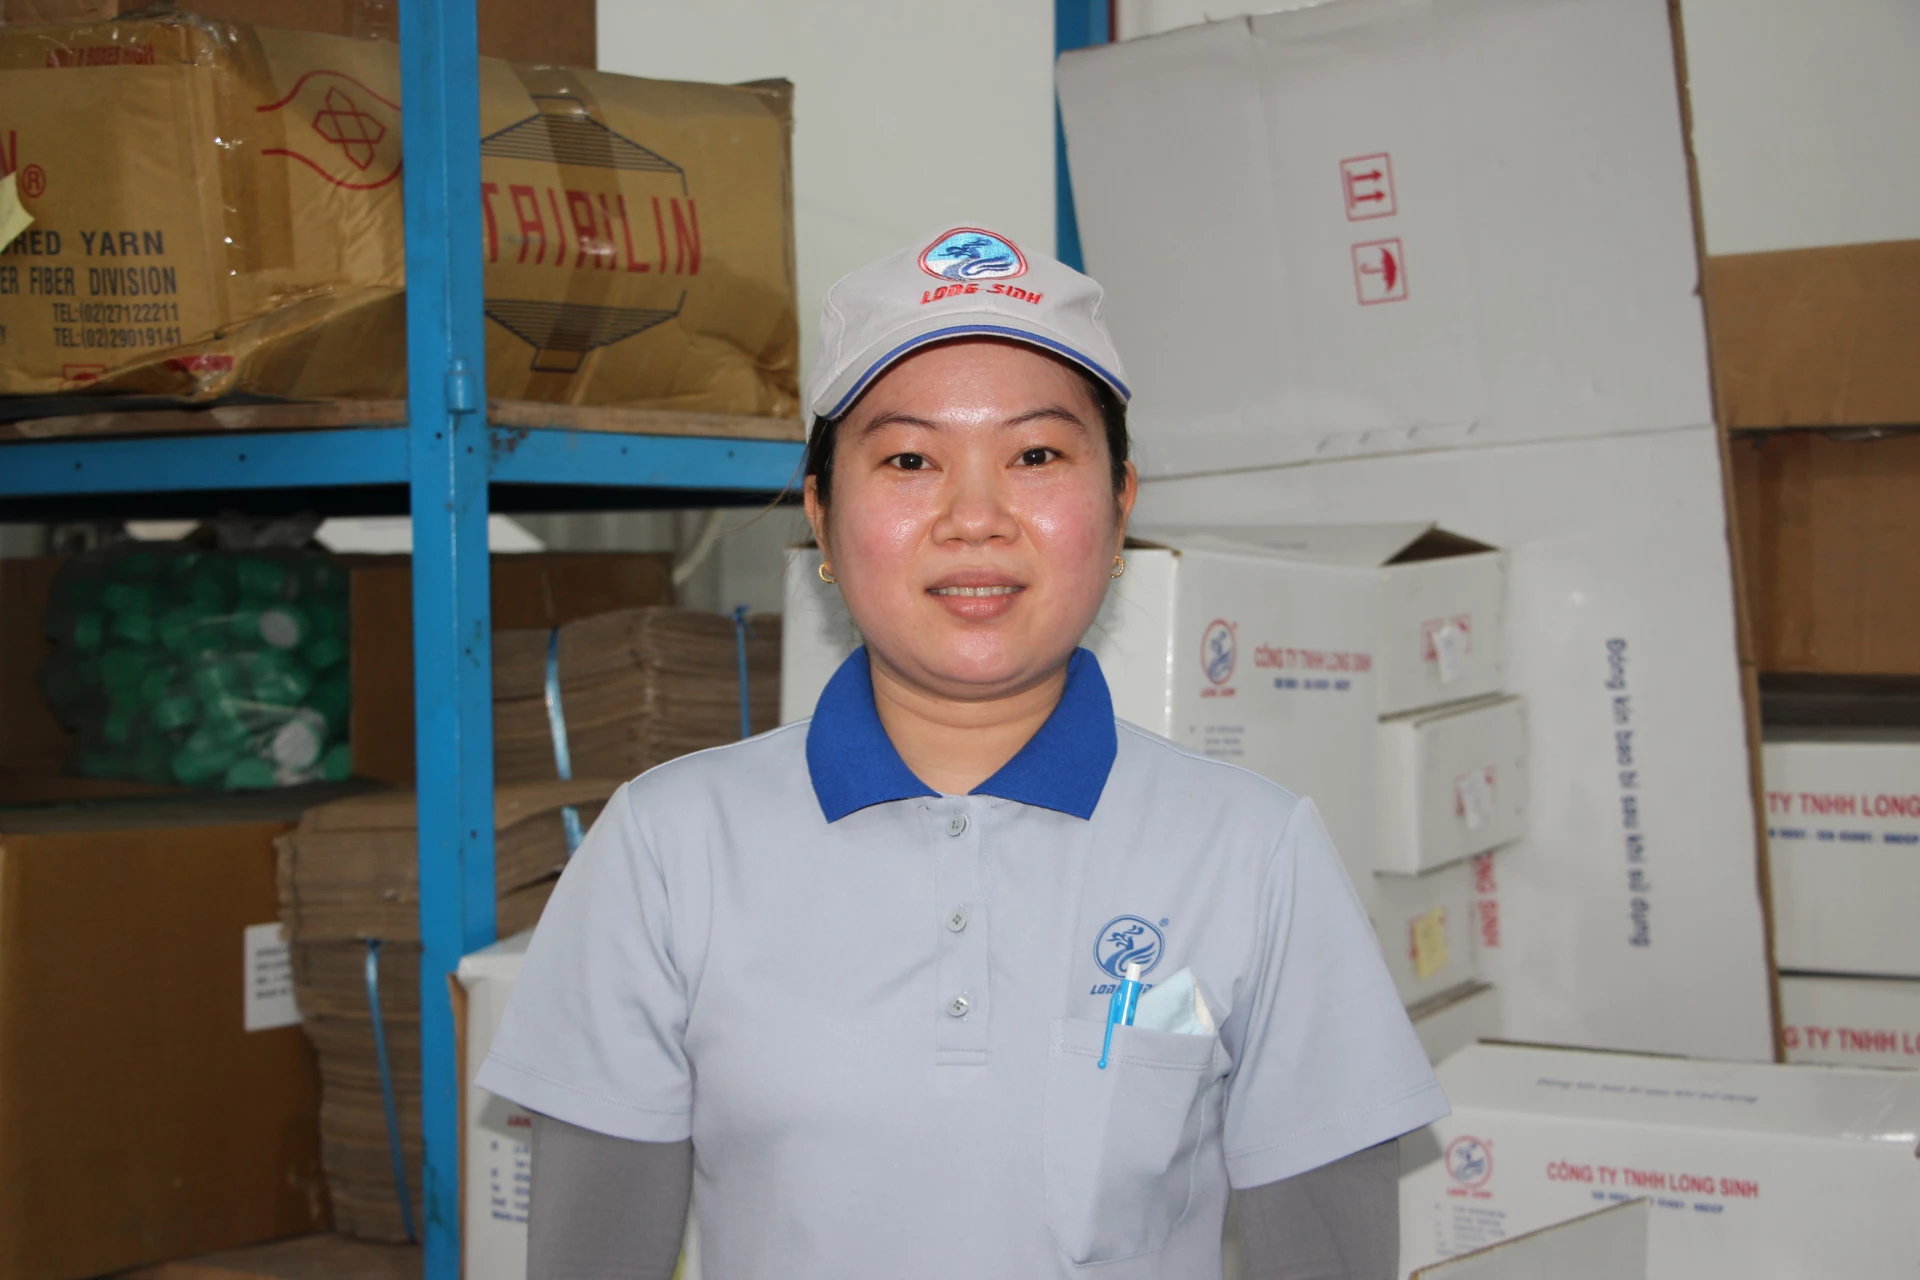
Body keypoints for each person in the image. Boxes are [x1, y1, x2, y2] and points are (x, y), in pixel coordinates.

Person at [477, 227, 1448, 1280]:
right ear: (821, 516)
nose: (975, 518)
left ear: (1120, 503)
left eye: (1036, 455)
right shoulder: (667, 849)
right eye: (909, 459)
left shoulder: (1254, 852)